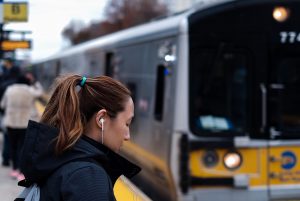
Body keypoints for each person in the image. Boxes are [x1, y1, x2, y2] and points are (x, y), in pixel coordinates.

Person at [19, 74, 140, 200]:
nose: (127, 136)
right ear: (101, 119)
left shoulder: (60, 158)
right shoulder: (88, 177)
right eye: (127, 123)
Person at [1, 74, 43, 181]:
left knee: (13, 146)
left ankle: (14, 169)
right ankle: (21, 172)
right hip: (25, 124)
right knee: (23, 148)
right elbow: (40, 92)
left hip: (11, 123)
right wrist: (35, 82)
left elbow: (2, 105)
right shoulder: (30, 90)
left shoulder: (10, 90)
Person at [0, 57, 21, 167]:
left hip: (7, 115)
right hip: (21, 116)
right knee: (19, 140)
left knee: (7, 137)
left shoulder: (3, 83)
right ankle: (16, 160)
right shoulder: (21, 84)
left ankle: (6, 159)